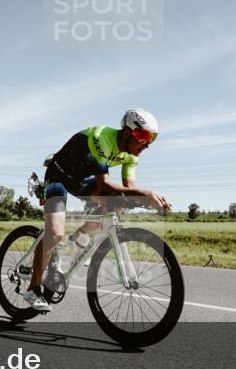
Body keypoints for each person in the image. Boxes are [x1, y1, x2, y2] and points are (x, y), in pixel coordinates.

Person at [26, 109, 170, 312]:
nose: (147, 145)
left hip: (82, 180)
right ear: (128, 132)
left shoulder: (132, 156)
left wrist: (149, 200)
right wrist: (145, 194)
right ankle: (33, 288)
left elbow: (128, 190)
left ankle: (74, 243)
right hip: (59, 177)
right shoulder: (100, 137)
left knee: (119, 202)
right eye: (144, 136)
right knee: (55, 232)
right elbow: (104, 183)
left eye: (152, 139)